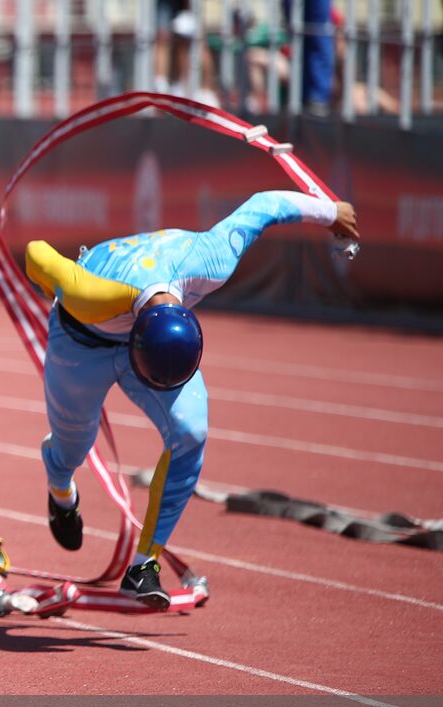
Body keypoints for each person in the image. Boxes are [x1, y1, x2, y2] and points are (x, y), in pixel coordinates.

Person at [24, 191, 359, 607]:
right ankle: (60, 492)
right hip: (79, 346)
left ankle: (144, 565)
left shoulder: (210, 261)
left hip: (146, 331)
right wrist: (50, 282)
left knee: (190, 431)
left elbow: (266, 206)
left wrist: (331, 213)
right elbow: (35, 252)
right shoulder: (89, 294)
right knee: (72, 446)